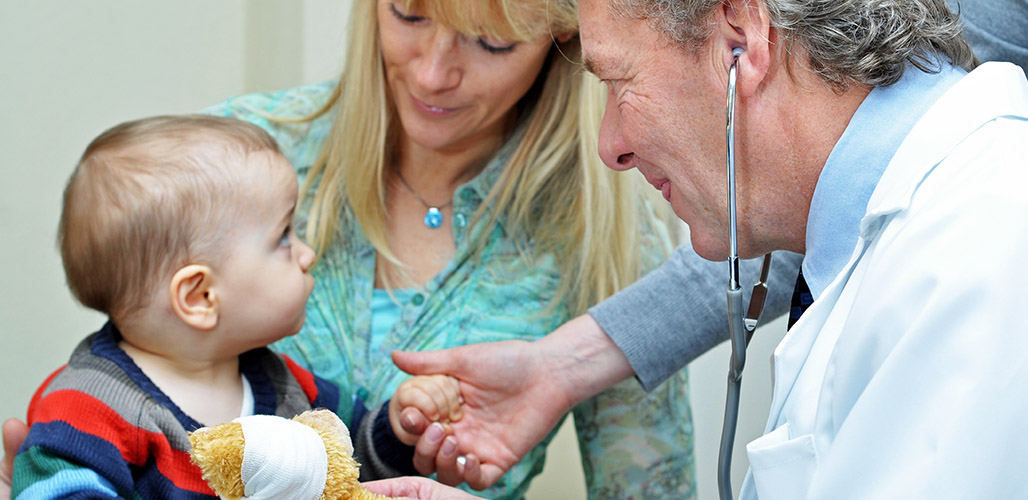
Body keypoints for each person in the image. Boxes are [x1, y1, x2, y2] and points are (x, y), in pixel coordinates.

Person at [360, 0, 1028, 497]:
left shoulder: (977, 254)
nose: (611, 146)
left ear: (740, 41)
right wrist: (559, 367)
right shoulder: (890, 239)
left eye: (619, 82)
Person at [9, 115, 463, 500]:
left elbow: (356, 467)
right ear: (200, 297)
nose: (307, 254)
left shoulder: (287, 387)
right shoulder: (88, 407)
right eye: (284, 237)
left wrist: (399, 428)